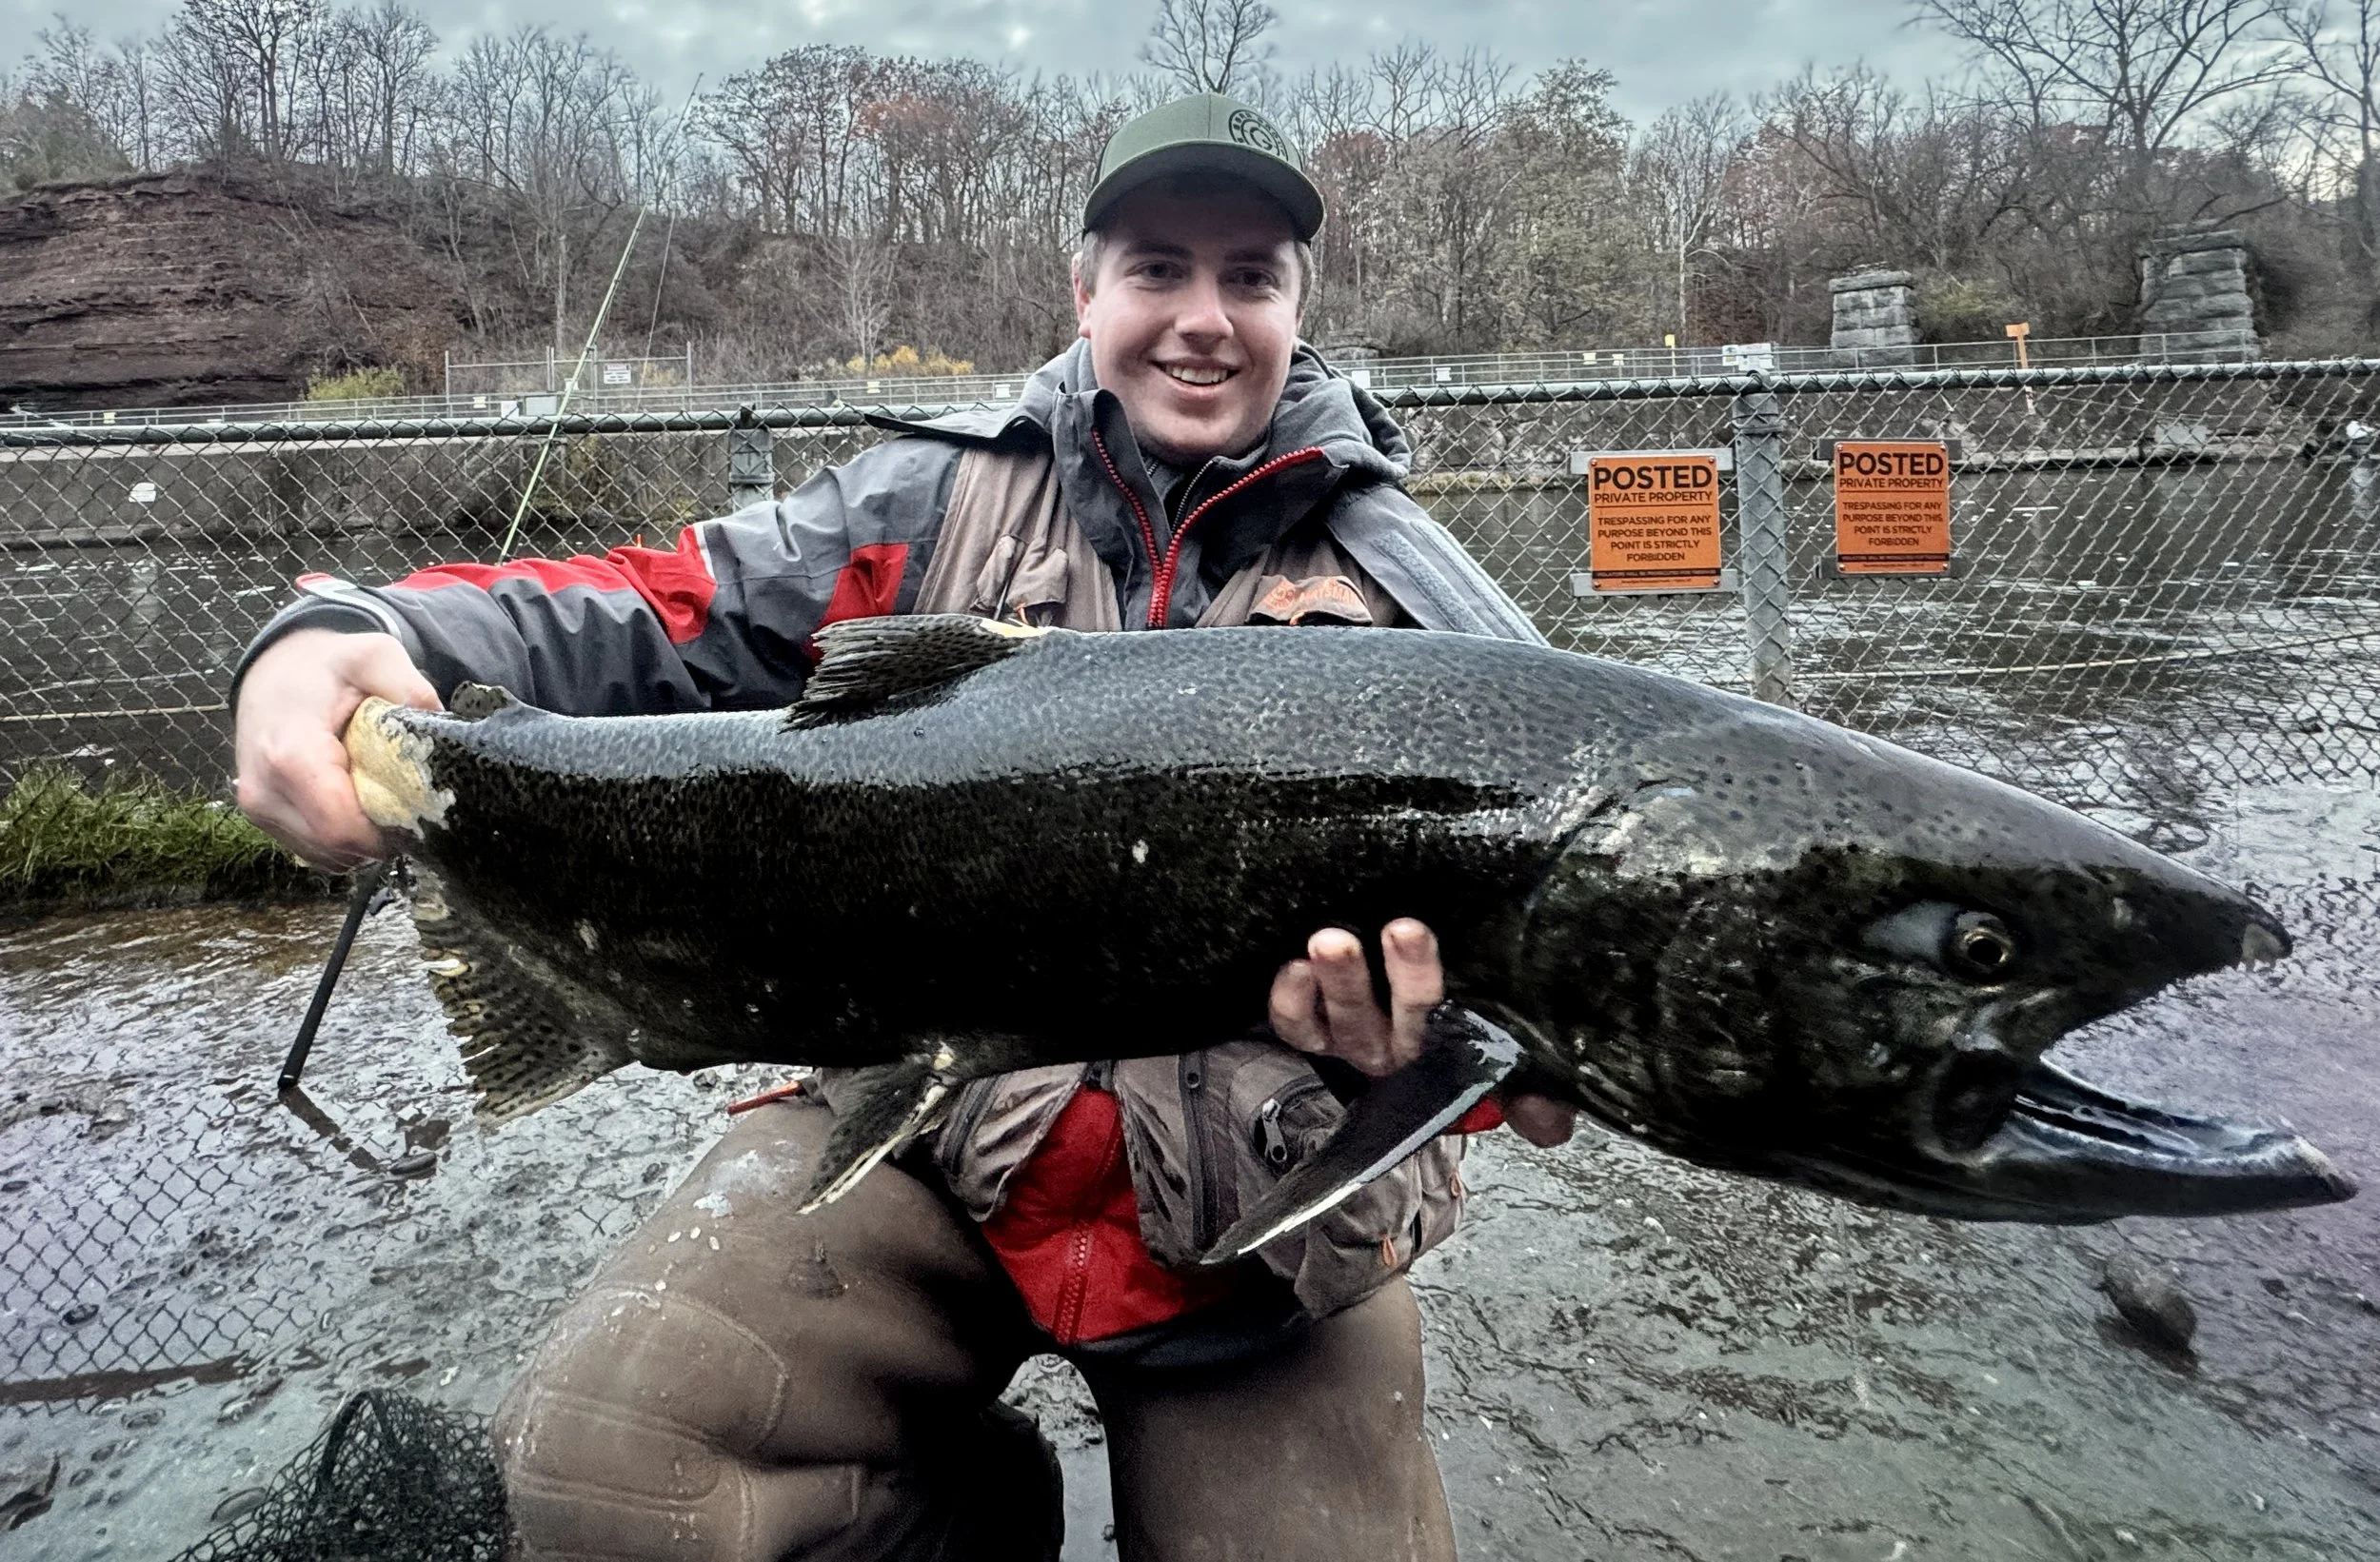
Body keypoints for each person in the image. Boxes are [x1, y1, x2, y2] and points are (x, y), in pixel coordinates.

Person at [231, 91, 1578, 1562]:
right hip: (923, 1147)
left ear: (1299, 308)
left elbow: (1542, 1003)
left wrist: (1444, 1059)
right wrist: (348, 636)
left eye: (1249, 276)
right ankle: (971, 1514)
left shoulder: (1419, 599)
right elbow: (655, 605)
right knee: (600, 1474)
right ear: (1085, 292)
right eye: (1157, 269)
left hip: (1267, 1231)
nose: (1203, 318)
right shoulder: (932, 498)